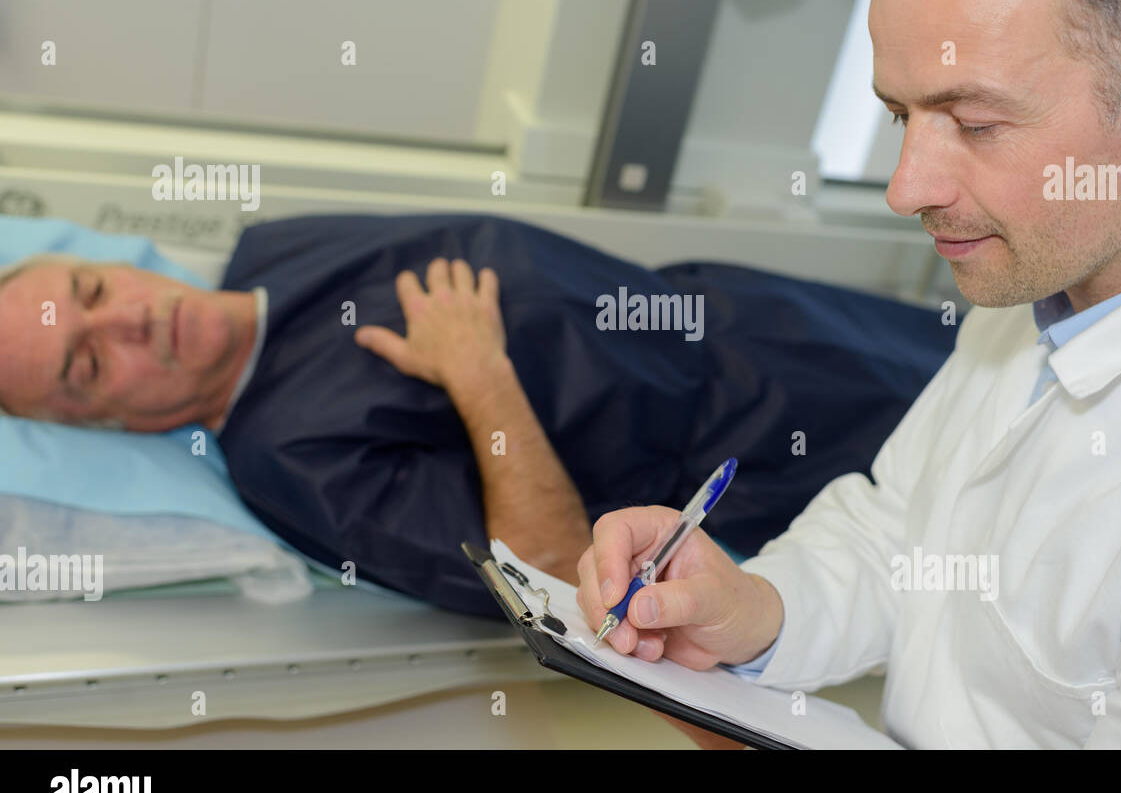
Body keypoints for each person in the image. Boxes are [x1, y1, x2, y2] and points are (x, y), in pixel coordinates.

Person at [577, 0, 1121, 748]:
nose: (906, 188)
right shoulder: (1055, 255)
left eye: (975, 121)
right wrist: (750, 607)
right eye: (897, 116)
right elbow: (903, 533)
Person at [0, 214, 955, 616]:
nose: (129, 317)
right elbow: (550, 579)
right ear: (111, 425)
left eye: (90, 288)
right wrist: (478, 374)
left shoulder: (272, 251)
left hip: (769, 315)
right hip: (780, 456)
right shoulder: (290, 459)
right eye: (89, 362)